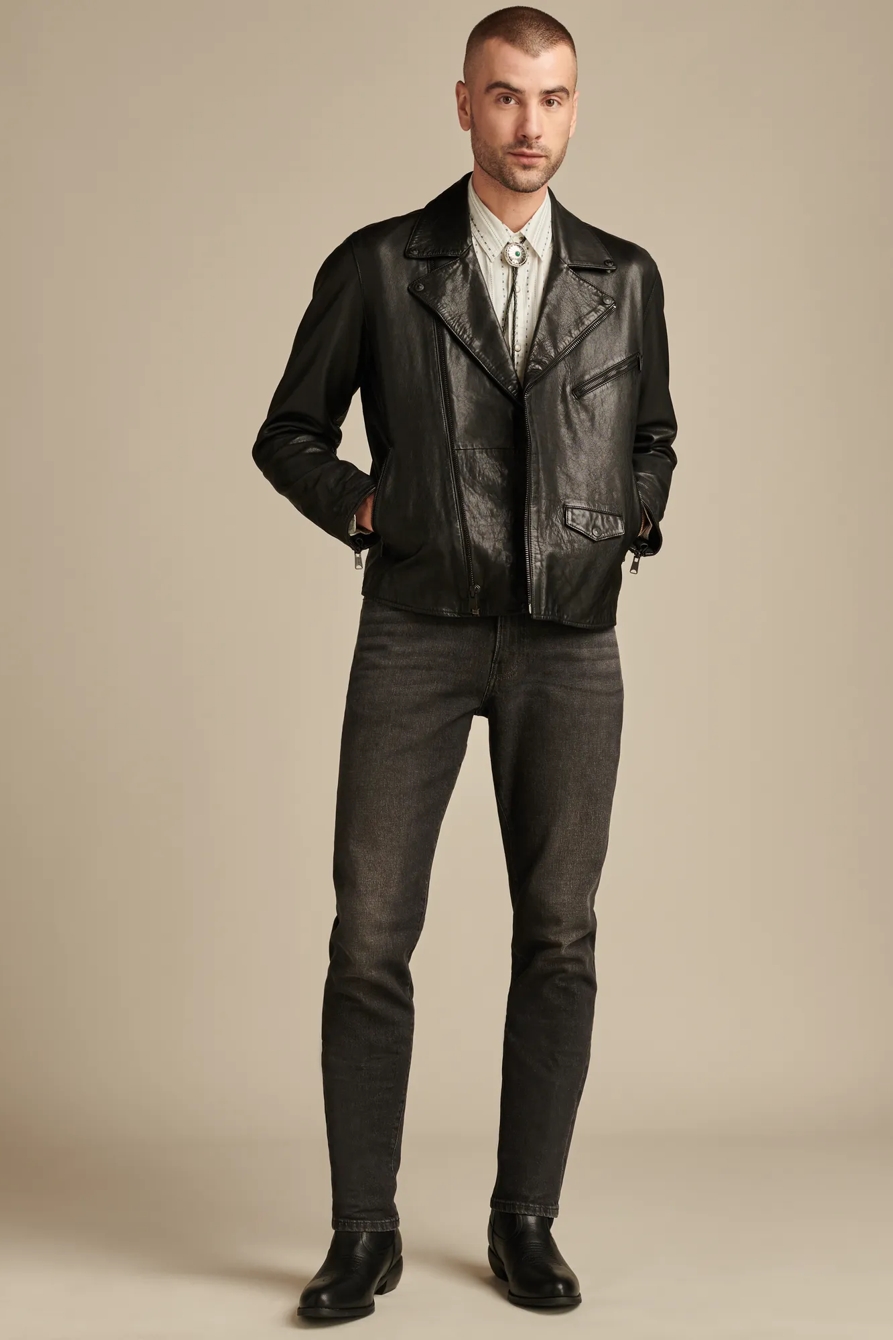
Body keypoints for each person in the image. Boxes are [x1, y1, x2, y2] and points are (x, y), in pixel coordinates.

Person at [251, 5, 677, 1321]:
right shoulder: (382, 266)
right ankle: (361, 1234)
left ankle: (524, 1221)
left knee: (559, 935)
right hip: (416, 633)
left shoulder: (624, 277)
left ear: (574, 107)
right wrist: (374, 512)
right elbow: (289, 433)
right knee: (370, 936)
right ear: (462, 104)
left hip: (569, 645)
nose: (530, 125)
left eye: (552, 98)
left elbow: (653, 434)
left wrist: (621, 522)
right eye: (505, 96)